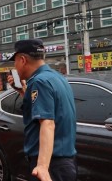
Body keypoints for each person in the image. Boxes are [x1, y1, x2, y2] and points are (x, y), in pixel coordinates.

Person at [7, 39, 77, 181]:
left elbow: (47, 123)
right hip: (64, 162)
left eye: (14, 61)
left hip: (52, 165)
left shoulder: (39, 82)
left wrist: (42, 166)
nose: (15, 66)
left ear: (22, 60)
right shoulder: (56, 77)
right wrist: (22, 92)